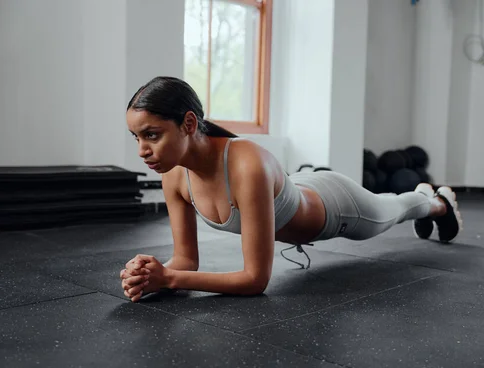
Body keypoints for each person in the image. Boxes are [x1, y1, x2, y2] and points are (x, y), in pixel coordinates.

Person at [119, 76, 462, 302]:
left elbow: (255, 279)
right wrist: (152, 274)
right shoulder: (174, 175)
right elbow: (185, 261)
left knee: (394, 209)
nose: (142, 151)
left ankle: (435, 202)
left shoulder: (245, 163)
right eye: (137, 137)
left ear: (188, 124)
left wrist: (170, 280)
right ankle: (427, 199)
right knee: (391, 205)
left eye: (152, 135)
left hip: (335, 205)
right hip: (298, 186)